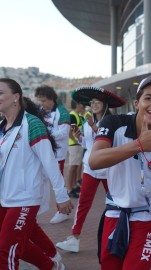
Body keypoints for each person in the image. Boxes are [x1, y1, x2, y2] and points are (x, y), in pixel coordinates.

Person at [88, 74, 151, 270]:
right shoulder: (113, 123)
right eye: (148, 98)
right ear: (137, 103)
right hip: (115, 213)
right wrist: (139, 145)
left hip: (147, 217)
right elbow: (95, 161)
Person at [0, 78, 73, 269]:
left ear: (16, 97)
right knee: (17, 245)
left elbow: (50, 164)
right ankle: (51, 265)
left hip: (24, 198)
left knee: (6, 252)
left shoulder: (32, 124)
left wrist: (61, 196)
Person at [56, 86, 126, 253]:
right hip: (90, 167)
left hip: (108, 169)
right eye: (92, 102)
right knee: (83, 204)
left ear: (105, 104)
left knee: (118, 202)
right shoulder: (88, 123)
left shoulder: (113, 122)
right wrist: (78, 135)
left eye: (98, 102)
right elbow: (88, 144)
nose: (94, 105)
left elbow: (109, 143)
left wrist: (94, 127)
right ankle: (74, 238)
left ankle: (123, 232)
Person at [35, 85, 71, 224]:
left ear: (52, 99)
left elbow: (63, 133)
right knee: (38, 182)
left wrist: (45, 136)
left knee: (58, 183)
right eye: (40, 100)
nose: (41, 104)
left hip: (57, 155)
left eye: (43, 101)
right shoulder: (40, 111)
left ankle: (63, 212)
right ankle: (36, 211)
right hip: (41, 153)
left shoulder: (63, 112)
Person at [67, 100, 86, 199]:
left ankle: (74, 186)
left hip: (77, 144)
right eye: (82, 104)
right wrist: (76, 140)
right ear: (78, 104)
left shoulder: (77, 115)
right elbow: (69, 130)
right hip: (74, 144)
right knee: (72, 166)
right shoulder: (72, 115)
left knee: (76, 166)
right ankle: (69, 189)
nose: (84, 107)